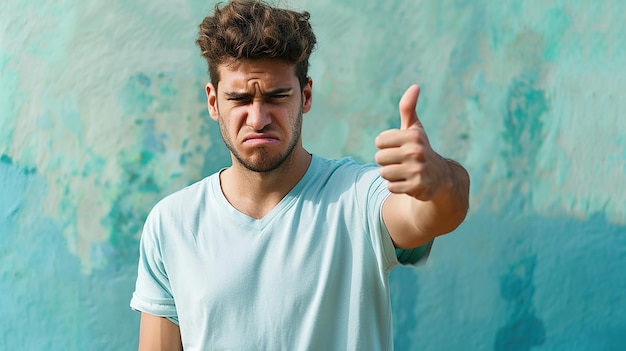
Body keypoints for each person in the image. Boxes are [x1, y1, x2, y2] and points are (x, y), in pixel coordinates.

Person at [130, 0, 470, 350]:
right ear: (214, 102)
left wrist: (441, 179)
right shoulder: (172, 224)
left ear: (305, 95)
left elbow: (436, 213)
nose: (258, 118)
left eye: (277, 97)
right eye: (240, 99)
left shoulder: (358, 199)